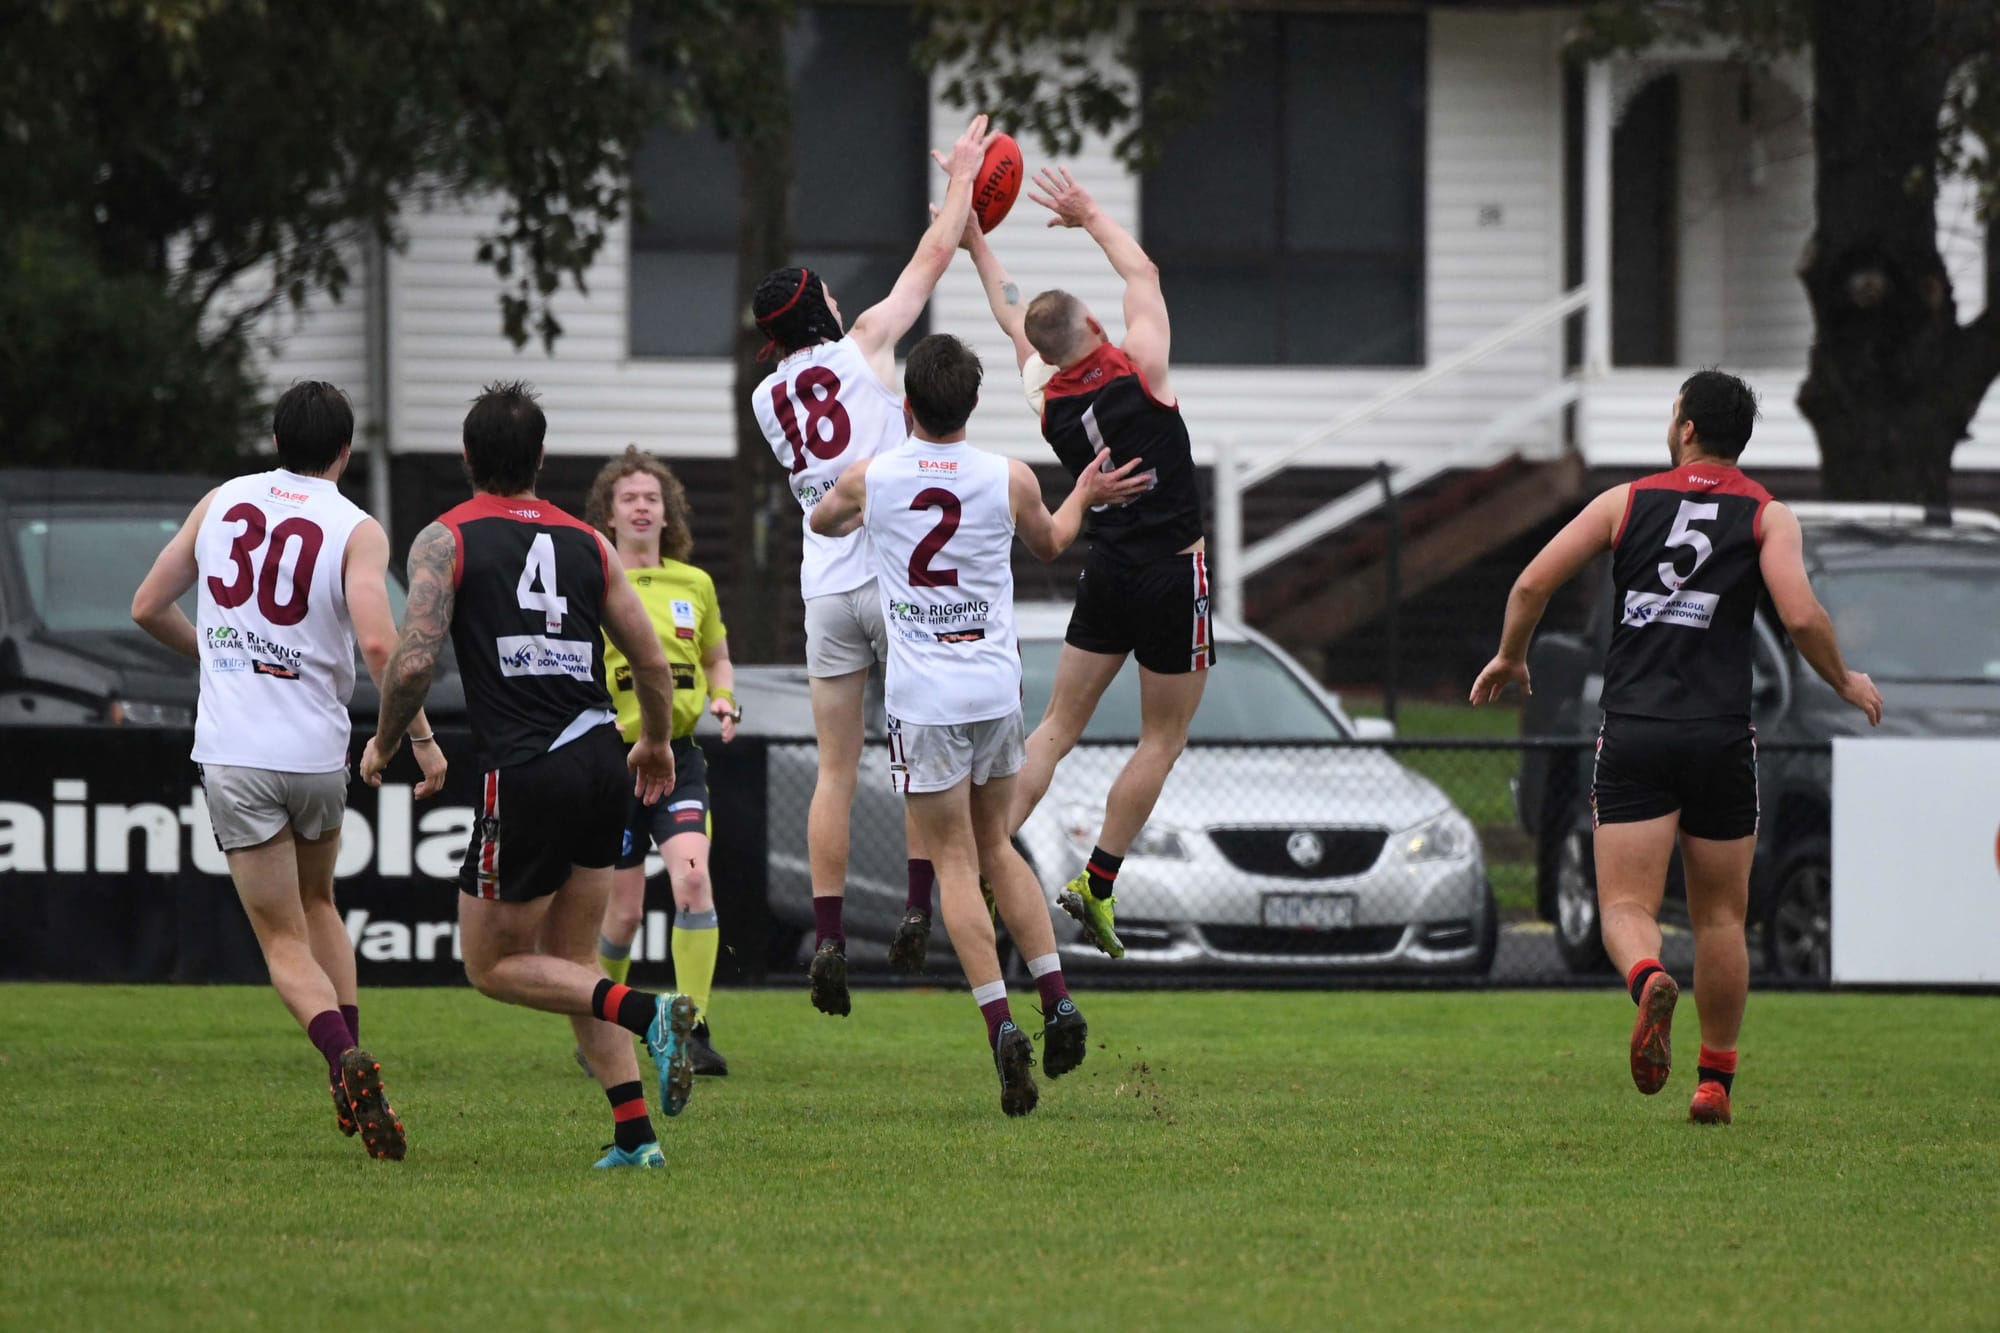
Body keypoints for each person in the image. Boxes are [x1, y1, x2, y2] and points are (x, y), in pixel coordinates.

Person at [1470, 370, 1883, 1126]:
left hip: (1636, 729)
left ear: (1687, 426)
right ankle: (1714, 1081)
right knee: (1723, 916)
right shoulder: (1768, 515)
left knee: (1626, 904)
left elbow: (1532, 585)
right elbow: (1801, 613)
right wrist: (1845, 679)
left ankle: (1651, 975)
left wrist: (1511, 655)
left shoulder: (1623, 502)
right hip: (1723, 735)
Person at [358, 381, 697, 1170]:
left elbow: (412, 662)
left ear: (468, 457)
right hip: (600, 759)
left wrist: (382, 743)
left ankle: (648, 1011)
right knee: (572, 964)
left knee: (491, 965)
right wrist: (653, 743)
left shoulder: (447, 537)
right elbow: (650, 658)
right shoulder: (589, 540)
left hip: (527, 770)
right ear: (541, 457)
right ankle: (635, 1135)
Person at [810, 333, 1148, 1113]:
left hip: (924, 698)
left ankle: (1000, 1021)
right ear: (972, 402)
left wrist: (855, 507)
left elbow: (827, 521)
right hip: (994, 689)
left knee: (955, 863)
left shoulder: (875, 476)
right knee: (998, 846)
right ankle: (1057, 996)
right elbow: (1056, 541)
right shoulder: (1010, 476)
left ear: (906, 407)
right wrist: (1088, 493)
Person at [131, 380, 447, 1162]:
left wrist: (220, 654)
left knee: (279, 937)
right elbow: (385, 649)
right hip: (314, 752)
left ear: (275, 442)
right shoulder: (355, 525)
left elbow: (146, 605)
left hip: (236, 751)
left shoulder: (222, 500)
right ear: (343, 452)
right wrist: (420, 739)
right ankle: (356, 1060)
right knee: (320, 903)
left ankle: (342, 1060)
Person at [749, 112, 996, 1014]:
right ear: (824, 311)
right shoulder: (862, 351)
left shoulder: (764, 397)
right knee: (922, 762)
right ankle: (920, 911)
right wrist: (965, 177)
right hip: (897, 585)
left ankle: (825, 936)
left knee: (837, 771)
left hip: (827, 591)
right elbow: (930, 259)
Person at [954, 168, 1211, 960]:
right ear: (1096, 322)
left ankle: (984, 851)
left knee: (1058, 727)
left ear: (1045, 351)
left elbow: (1010, 314)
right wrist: (1088, 213)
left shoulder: (1048, 398)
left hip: (1106, 571)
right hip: (1173, 573)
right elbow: (1145, 273)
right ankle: (1098, 881)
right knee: (1161, 739)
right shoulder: (1143, 366)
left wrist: (972, 238)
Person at [583, 446, 738, 1077]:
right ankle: (603, 1029)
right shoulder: (593, 580)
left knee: (693, 881)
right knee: (620, 911)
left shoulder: (694, 584)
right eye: (629, 499)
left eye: (652, 498)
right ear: (609, 515)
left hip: (678, 759)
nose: (643, 507)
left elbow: (716, 660)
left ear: (667, 512)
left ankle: (692, 1027)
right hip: (614, 762)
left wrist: (723, 698)